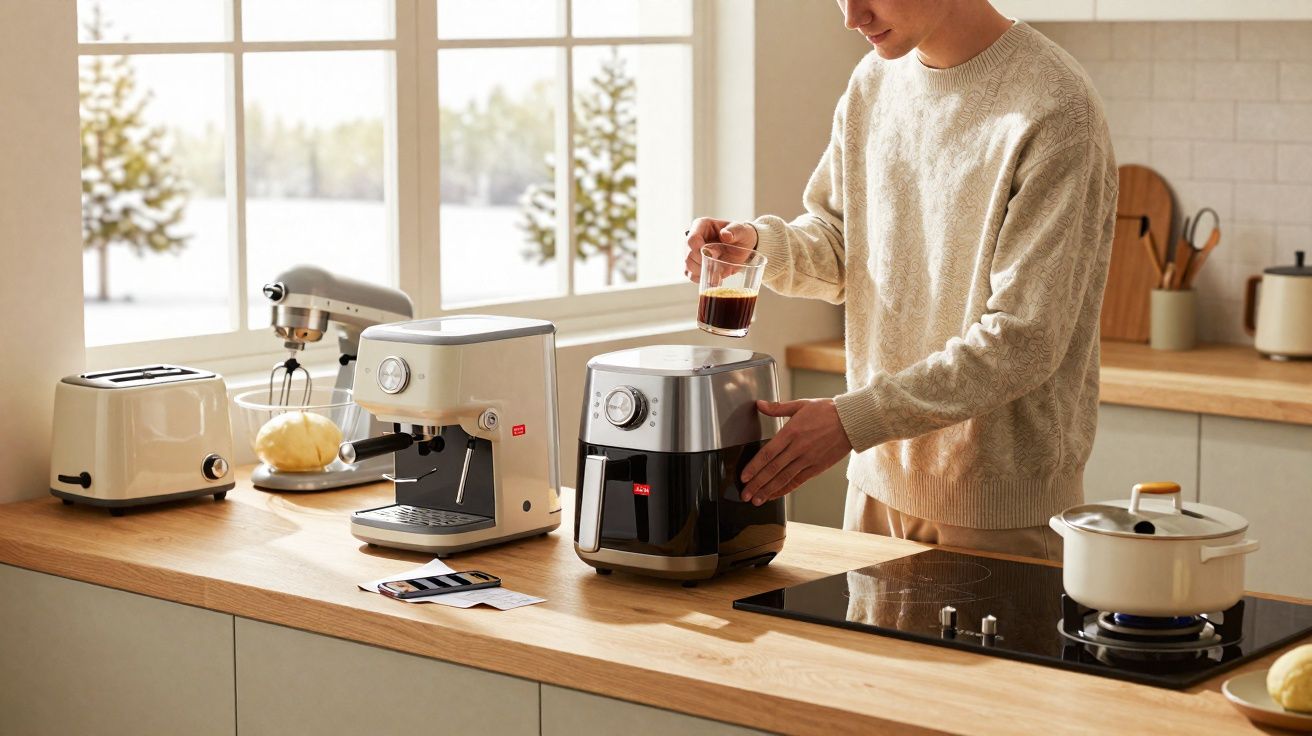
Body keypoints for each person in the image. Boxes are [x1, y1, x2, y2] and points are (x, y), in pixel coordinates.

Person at [684, 0, 1116, 560]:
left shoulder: (1056, 107)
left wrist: (851, 421)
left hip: (996, 513)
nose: (852, 16)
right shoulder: (875, 80)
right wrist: (761, 245)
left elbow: (1024, 341)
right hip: (874, 488)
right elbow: (846, 247)